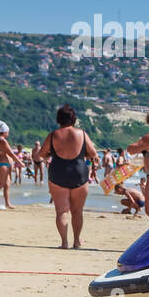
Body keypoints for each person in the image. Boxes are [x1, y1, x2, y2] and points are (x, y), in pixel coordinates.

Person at [42, 105, 99, 249]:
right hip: (79, 172)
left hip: (58, 172)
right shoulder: (82, 134)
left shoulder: (53, 134)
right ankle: (77, 241)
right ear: (74, 118)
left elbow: (41, 154)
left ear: (59, 119)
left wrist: (51, 154)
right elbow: (93, 153)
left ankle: (64, 242)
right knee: (77, 211)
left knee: (61, 211)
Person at [0, 122, 22, 209]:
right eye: (8, 132)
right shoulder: (2, 141)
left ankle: (7, 203)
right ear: (4, 132)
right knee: (0, 184)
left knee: (6, 184)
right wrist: (20, 162)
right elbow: (11, 153)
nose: (8, 134)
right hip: (3, 164)